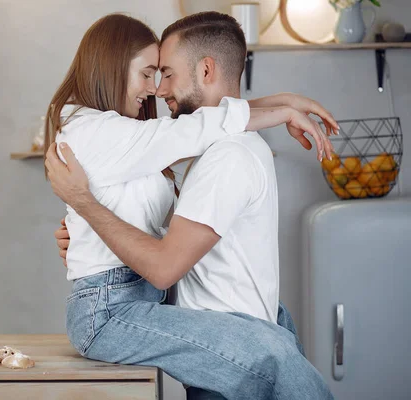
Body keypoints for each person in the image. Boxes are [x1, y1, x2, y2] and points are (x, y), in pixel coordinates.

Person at [44, 12, 335, 399]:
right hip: (112, 305)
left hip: (142, 293)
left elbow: (197, 127)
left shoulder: (209, 149)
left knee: (277, 332)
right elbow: (193, 127)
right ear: (112, 66)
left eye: (164, 73)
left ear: (206, 69)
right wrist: (279, 109)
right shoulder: (93, 130)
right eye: (148, 73)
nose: (157, 88)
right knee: (273, 352)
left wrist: (89, 226)